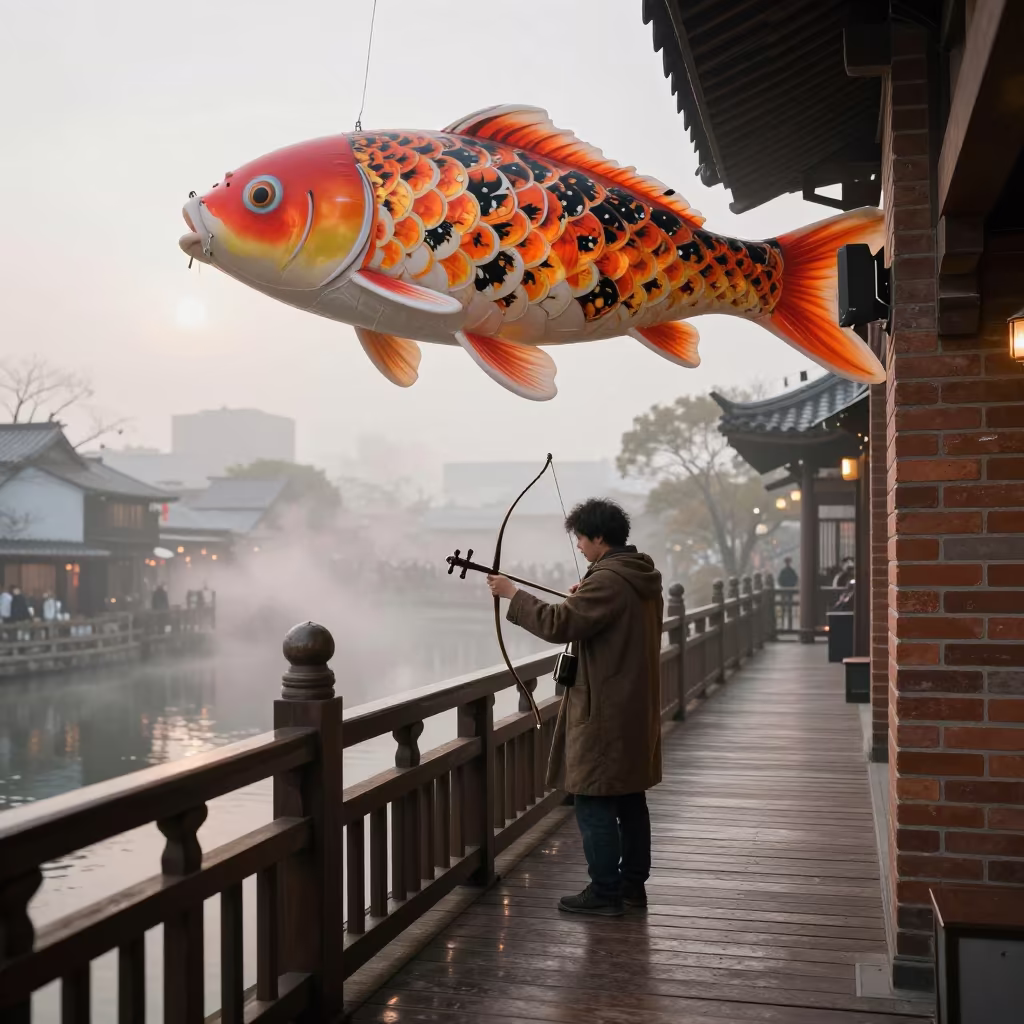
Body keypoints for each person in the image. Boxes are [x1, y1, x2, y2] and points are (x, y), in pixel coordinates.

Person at [487, 497, 663, 917]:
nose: (579, 546)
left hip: (605, 710)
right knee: (630, 799)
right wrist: (581, 597)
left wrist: (512, 593)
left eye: (581, 539)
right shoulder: (638, 576)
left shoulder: (608, 581)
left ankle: (605, 891)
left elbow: (558, 624)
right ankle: (632, 887)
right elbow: (595, 619)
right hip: (633, 706)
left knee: (593, 798)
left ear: (599, 537)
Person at [777, 556, 798, 631]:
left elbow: (779, 580)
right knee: (787, 608)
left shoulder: (785, 571)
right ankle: (786, 625)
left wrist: (783, 586)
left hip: (785, 591)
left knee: (787, 608)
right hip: (788, 591)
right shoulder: (790, 571)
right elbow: (795, 580)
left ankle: (787, 625)